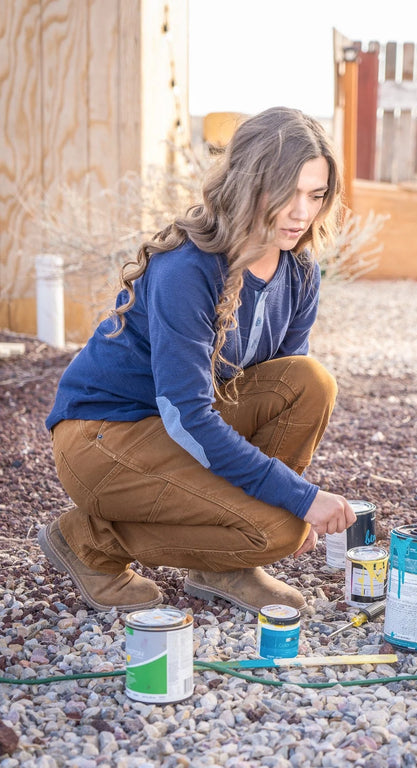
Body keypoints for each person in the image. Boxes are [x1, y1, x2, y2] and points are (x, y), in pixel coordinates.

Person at [38, 106, 357, 614]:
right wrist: (297, 499)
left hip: (173, 432)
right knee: (279, 526)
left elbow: (278, 393)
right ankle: (88, 541)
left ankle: (221, 563)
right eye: (288, 192)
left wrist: (285, 490)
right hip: (103, 439)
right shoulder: (189, 267)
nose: (302, 212)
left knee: (309, 382)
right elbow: (187, 415)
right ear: (250, 184)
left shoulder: (299, 270)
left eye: (316, 195)